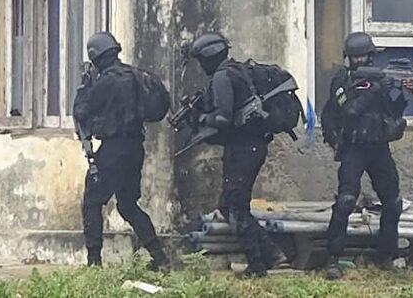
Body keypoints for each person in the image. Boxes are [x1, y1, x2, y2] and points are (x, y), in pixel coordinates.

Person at [189, 33, 288, 278]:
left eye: (201, 60)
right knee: (227, 205)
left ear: (209, 57)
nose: (201, 66)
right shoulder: (237, 71)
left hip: (244, 149)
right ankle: (274, 254)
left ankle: (258, 264)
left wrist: (202, 118)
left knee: (236, 205)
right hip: (249, 146)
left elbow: (223, 118)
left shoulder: (223, 76)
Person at [320, 32, 413, 279]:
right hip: (354, 148)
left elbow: (391, 112)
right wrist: (375, 89)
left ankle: (386, 255)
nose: (360, 60)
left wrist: (404, 95)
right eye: (356, 57)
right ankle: (333, 258)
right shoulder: (342, 80)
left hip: (378, 147)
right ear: (348, 58)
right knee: (346, 200)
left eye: (364, 56)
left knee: (393, 202)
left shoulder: (377, 80)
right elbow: (349, 110)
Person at [73, 32, 169, 271]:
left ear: (96, 57)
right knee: (127, 205)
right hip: (135, 149)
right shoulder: (134, 75)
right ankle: (160, 258)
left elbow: (82, 112)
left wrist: (85, 86)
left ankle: (94, 262)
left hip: (114, 150)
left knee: (92, 202)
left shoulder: (107, 81)